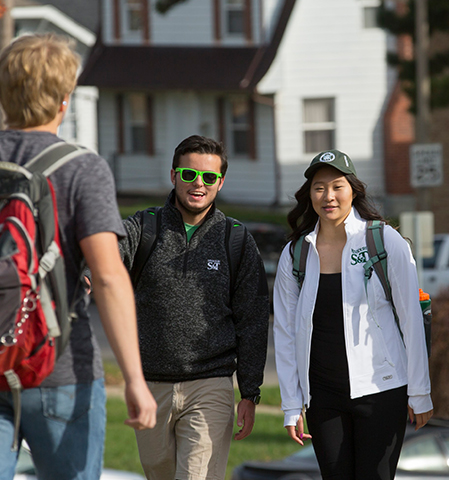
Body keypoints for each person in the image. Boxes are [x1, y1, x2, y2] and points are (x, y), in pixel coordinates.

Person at [0, 33, 157, 479]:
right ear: (65, 99)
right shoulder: (80, 168)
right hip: (60, 367)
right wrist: (134, 379)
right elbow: (108, 277)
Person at [273, 149, 433, 480]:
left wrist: (420, 392)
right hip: (323, 396)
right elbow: (286, 332)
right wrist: (291, 404)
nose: (328, 196)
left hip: (382, 390)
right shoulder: (296, 253)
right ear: (309, 195)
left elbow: (411, 320)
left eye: (337, 186)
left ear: (354, 191)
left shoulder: (384, 240)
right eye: (319, 188)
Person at [118, 135, 269, 480]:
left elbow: (254, 318)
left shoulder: (235, 239)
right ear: (173, 176)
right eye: (189, 175)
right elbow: (108, 256)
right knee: (160, 473)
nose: (198, 183)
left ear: (220, 182)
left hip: (210, 384)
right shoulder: (145, 227)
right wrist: (87, 274)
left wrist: (250, 391)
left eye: (209, 177)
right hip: (150, 384)